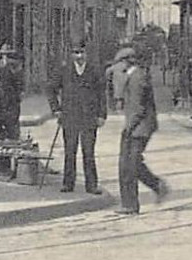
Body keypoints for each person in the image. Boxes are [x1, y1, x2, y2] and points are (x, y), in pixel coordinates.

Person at [49, 41, 106, 194]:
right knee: (70, 151)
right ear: (71, 54)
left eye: (81, 52)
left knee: (88, 152)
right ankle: (68, 183)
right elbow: (51, 89)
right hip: (70, 117)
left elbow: (102, 94)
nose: (79, 56)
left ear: (87, 53)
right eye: (76, 53)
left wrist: (101, 115)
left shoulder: (94, 71)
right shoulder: (64, 70)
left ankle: (92, 185)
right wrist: (56, 109)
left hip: (89, 118)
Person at [116, 45, 168, 215]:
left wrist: (128, 128)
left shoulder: (137, 78)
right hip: (139, 126)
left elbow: (138, 109)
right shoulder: (133, 76)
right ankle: (156, 186)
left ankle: (131, 204)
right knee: (132, 163)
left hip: (140, 127)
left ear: (127, 62)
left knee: (129, 164)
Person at [0, 43, 24, 144]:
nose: (6, 57)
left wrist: (19, 94)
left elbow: (19, 82)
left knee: (12, 124)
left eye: (8, 55)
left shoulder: (15, 67)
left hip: (11, 99)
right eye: (4, 54)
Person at [106, 45, 135, 112]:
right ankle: (118, 105)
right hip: (122, 77)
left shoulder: (120, 58)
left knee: (117, 91)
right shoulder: (130, 52)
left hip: (118, 77)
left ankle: (117, 105)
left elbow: (108, 72)